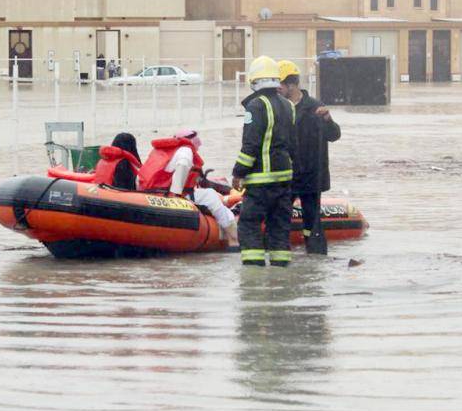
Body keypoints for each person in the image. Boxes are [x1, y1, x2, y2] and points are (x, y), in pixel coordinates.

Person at [232, 56, 297, 267]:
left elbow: (250, 145)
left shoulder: (256, 105)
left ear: (254, 81)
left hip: (261, 181)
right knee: (279, 228)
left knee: (249, 225)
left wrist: (238, 172)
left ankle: (254, 275)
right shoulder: (289, 106)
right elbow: (292, 144)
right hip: (284, 180)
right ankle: (281, 274)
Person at [277, 60, 341, 254]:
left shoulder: (315, 108)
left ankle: (315, 259)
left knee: (312, 221)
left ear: (292, 85)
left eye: (280, 85)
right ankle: (281, 256)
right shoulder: (279, 108)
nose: (277, 89)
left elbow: (334, 135)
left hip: (312, 176)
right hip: (287, 175)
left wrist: (328, 120)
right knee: (280, 217)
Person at [138, 130, 239, 247]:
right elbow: (183, 165)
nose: (199, 145)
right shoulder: (186, 151)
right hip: (171, 195)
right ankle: (233, 238)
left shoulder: (162, 150)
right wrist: (175, 194)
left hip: (150, 193)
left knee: (207, 193)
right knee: (210, 195)